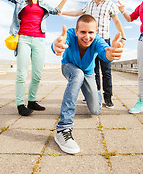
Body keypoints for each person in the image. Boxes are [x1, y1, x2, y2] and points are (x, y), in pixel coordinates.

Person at [0, 0, 68, 116]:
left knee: (37, 74)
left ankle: (32, 101)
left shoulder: (42, 2)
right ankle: (20, 104)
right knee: (22, 74)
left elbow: (56, 11)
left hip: (39, 40)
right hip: (23, 39)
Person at [52, 14, 123, 154]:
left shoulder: (97, 40)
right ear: (77, 31)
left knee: (95, 110)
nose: (87, 36)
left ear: (95, 33)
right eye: (83, 32)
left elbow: (106, 53)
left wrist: (112, 53)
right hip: (69, 67)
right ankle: (63, 128)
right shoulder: (70, 34)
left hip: (89, 74)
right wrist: (56, 45)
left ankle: (95, 94)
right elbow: (60, 42)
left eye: (91, 32)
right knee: (78, 74)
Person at [61, 0, 126, 108]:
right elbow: (77, 13)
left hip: (103, 41)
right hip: (89, 41)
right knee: (93, 70)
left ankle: (108, 97)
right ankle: (93, 95)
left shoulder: (110, 5)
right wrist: (62, 12)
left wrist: (123, 36)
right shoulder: (89, 4)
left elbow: (117, 21)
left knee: (106, 71)